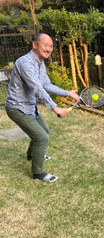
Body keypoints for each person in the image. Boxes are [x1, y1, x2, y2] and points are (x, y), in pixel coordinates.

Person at [5, 33, 80, 182]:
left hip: (30, 106)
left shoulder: (40, 62)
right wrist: (55, 107)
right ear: (35, 45)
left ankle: (32, 154)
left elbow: (46, 84)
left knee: (43, 131)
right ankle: (38, 172)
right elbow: (37, 89)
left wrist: (67, 93)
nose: (49, 49)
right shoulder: (25, 63)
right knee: (42, 137)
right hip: (17, 107)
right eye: (45, 45)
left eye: (51, 46)